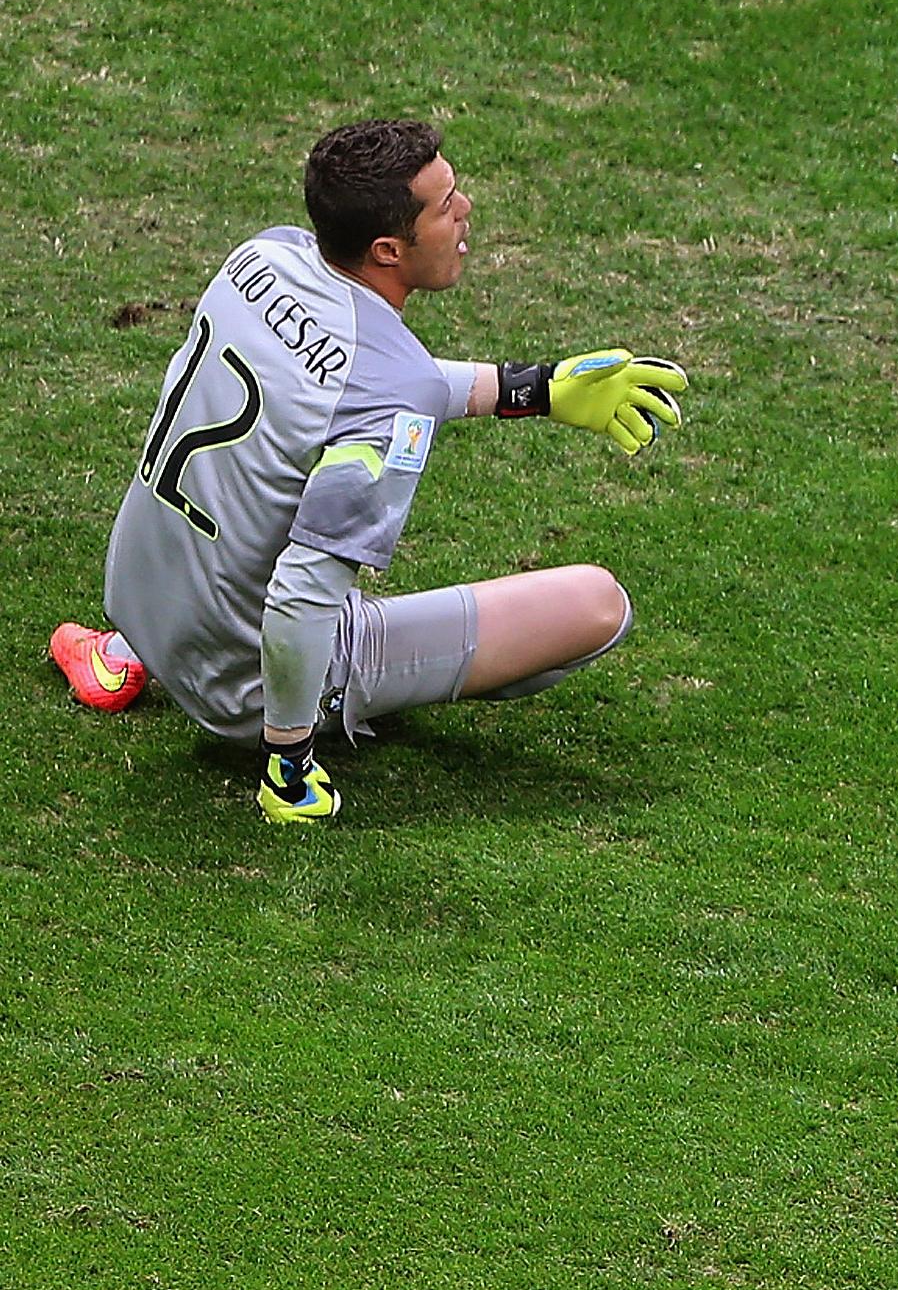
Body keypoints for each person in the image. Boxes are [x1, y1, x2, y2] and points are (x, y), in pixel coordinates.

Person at [50, 119, 690, 823]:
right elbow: (301, 595)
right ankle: (287, 744)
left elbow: (367, 380)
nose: (466, 209)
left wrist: (532, 387)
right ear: (389, 248)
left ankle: (118, 656)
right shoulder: (389, 390)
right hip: (239, 684)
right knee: (598, 605)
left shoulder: (262, 256)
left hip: (140, 598)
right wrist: (288, 764)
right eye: (445, 205)